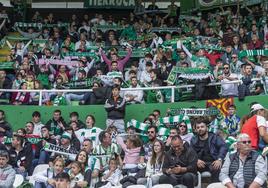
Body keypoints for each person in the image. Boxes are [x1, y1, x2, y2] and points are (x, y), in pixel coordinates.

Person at [190, 117, 228, 183]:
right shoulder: (193, 139)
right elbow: (190, 152)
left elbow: (223, 147)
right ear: (196, 129)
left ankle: (215, 186)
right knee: (190, 168)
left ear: (207, 128)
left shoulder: (214, 137)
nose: (200, 129)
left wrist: (219, 159)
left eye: (202, 127)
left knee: (217, 167)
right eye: (198, 127)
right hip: (200, 163)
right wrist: (196, 160)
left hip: (213, 162)